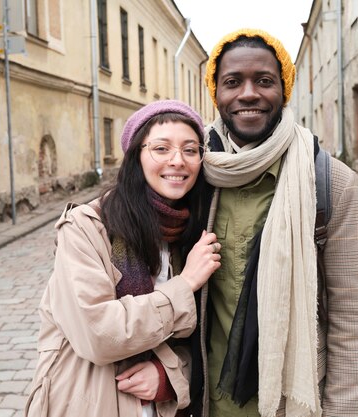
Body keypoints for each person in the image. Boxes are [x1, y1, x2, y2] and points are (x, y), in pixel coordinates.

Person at [190, 29, 358, 417]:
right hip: (204, 402)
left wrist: (343, 410)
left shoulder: (328, 181)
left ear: (284, 90)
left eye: (265, 81)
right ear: (216, 94)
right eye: (232, 82)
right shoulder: (193, 174)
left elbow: (352, 316)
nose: (248, 93)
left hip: (295, 403)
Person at [25, 100, 222, 417]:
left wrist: (169, 376)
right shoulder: (86, 229)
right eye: (161, 148)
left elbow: (205, 339)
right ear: (136, 156)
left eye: (190, 149)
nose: (177, 161)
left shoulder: (195, 232)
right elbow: (97, 333)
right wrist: (184, 285)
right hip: (87, 403)